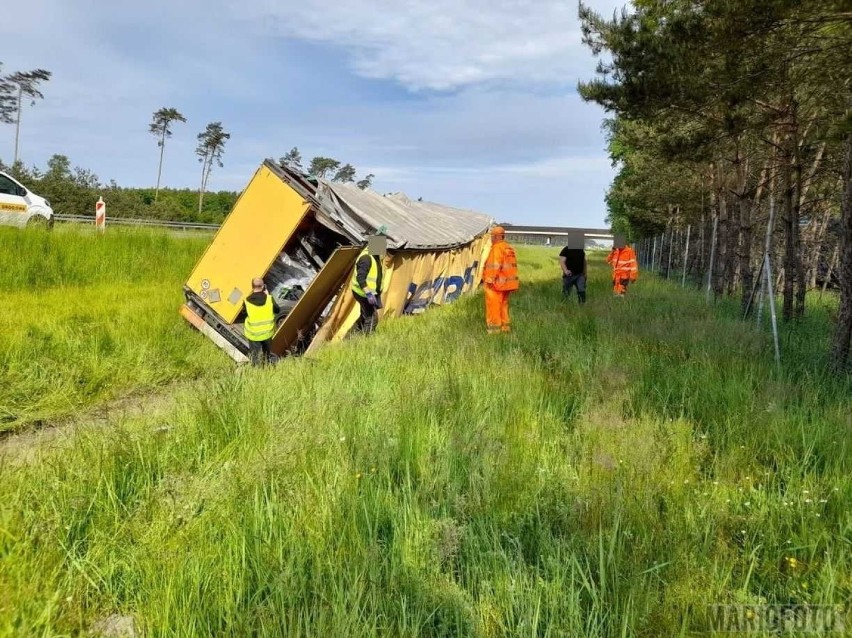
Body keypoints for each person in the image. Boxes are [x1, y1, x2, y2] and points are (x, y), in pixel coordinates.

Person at [482, 225, 519, 334]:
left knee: (493, 307)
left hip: (496, 284)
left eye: (492, 237)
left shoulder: (497, 248)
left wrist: (489, 279)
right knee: (503, 306)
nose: (491, 239)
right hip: (507, 284)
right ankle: (505, 328)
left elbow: (495, 264)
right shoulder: (508, 248)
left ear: (497, 236)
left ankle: (494, 331)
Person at [351, 235, 388, 335]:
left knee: (365, 315)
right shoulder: (366, 258)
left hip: (368, 293)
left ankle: (355, 333)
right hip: (363, 294)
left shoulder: (374, 255)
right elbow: (360, 278)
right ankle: (367, 338)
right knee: (372, 318)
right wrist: (368, 294)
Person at [244, 277, 280, 365]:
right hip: (267, 333)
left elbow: (244, 313)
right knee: (267, 355)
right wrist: (267, 295)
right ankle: (268, 368)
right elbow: (277, 310)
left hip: (254, 335)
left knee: (255, 357)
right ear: (263, 286)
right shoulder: (269, 299)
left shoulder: (246, 301)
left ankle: (256, 371)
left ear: (252, 287)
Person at [559, 236, 587, 304]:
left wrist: (585, 273)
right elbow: (562, 261)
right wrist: (565, 271)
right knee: (566, 292)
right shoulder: (566, 249)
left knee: (581, 290)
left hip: (580, 275)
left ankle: (582, 305)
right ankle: (564, 305)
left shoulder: (580, 250)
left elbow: (584, 262)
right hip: (569, 275)